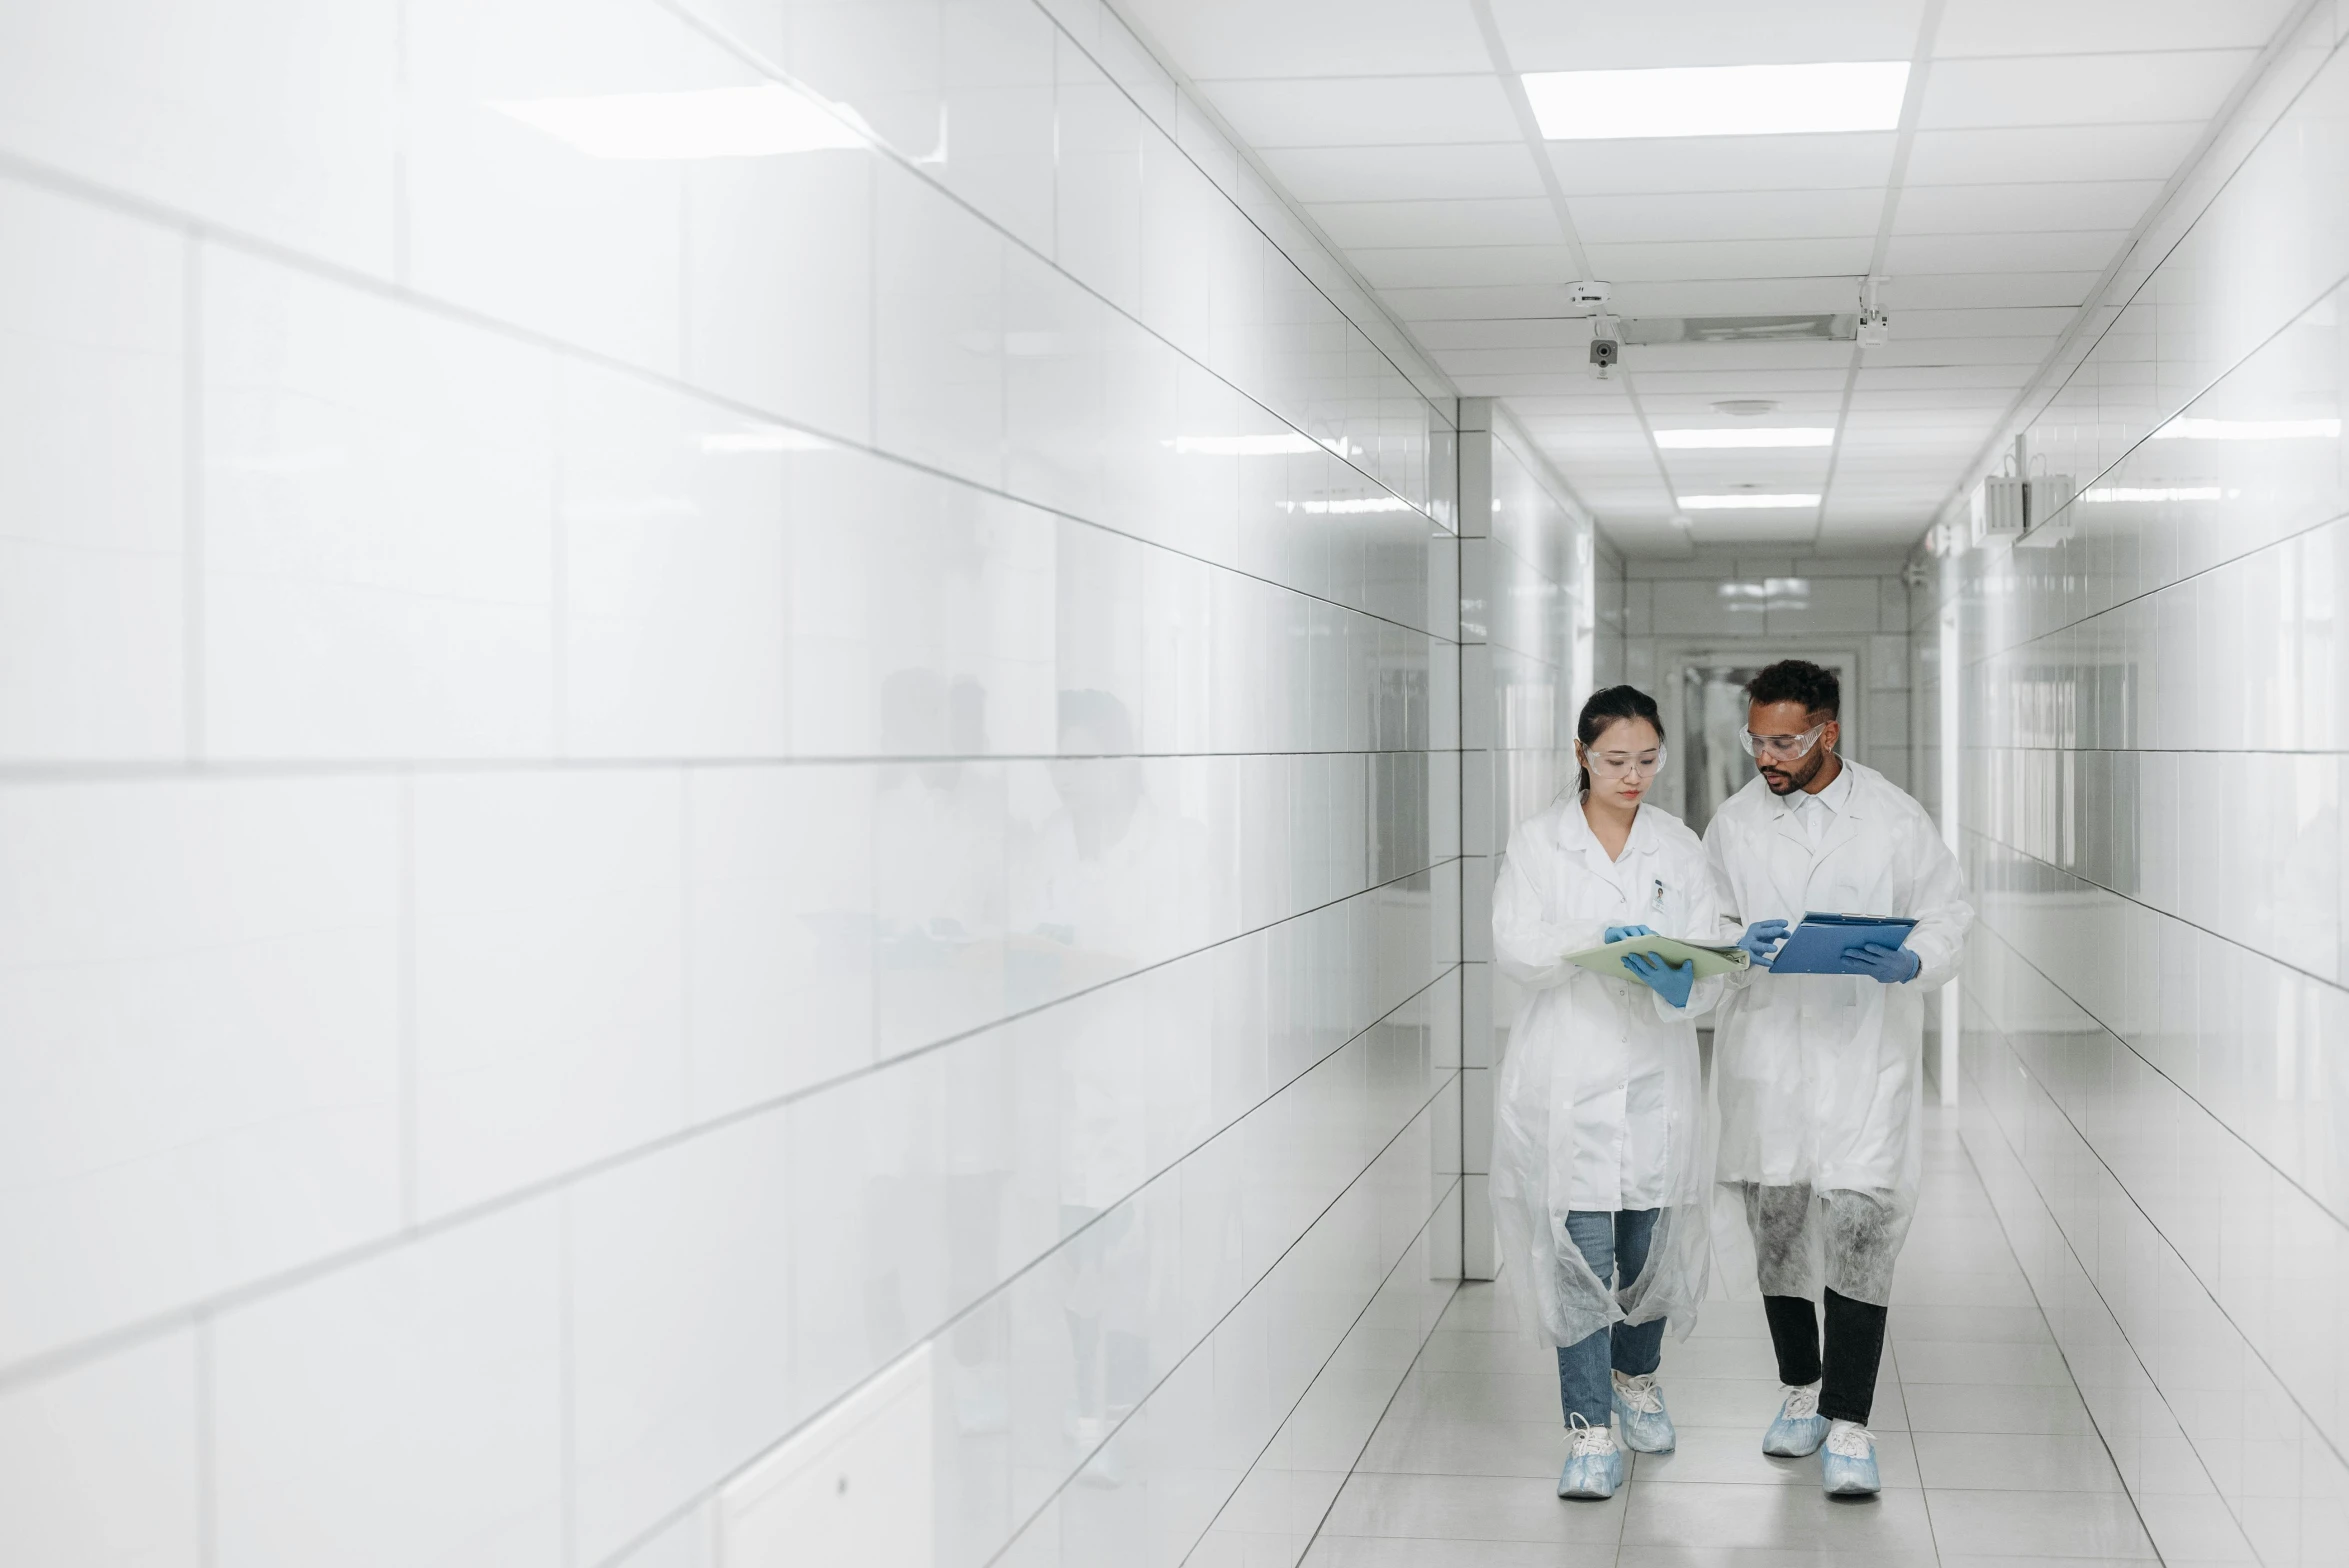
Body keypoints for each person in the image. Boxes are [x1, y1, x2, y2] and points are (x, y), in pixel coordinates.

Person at [1703, 659, 1972, 1496]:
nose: (1765, 756)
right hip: (1769, 1055)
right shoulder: (1733, 823)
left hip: (1864, 1055)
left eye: (1783, 740)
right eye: (1756, 739)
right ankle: (1799, 1393)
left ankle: (1850, 1423)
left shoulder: (1893, 817)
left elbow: (1948, 913)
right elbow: (1707, 926)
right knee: (1776, 1232)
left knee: (1862, 1232)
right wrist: (1726, 952)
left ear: (1829, 731)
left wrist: (1911, 959)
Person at [1490, 685, 1723, 1501]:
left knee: (1644, 1252)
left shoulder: (1678, 846)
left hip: (1654, 1076)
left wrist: (1680, 975)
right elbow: (1515, 947)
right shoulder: (1537, 843)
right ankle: (1588, 1428)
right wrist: (1595, 939)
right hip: (1568, 1077)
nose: (1633, 775)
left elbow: (1715, 955)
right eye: (1615, 760)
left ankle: (1637, 1378)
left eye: (1647, 760)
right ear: (1581, 755)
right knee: (1578, 1257)